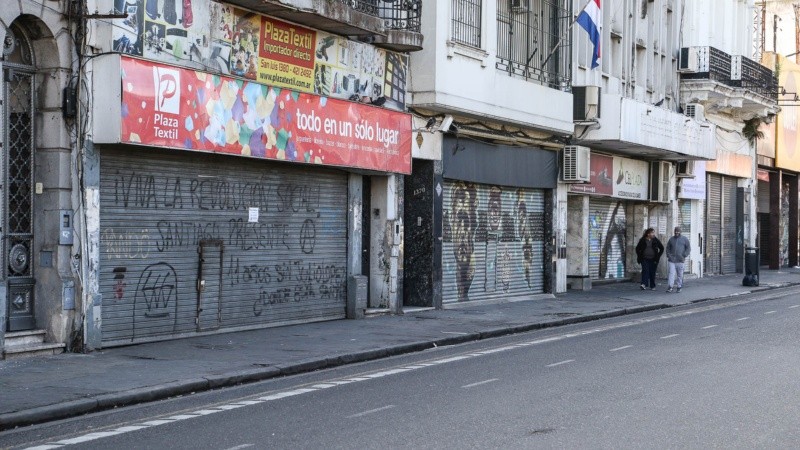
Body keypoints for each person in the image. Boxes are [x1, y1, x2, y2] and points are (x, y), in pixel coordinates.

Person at [666, 226, 691, 293]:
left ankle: (679, 286)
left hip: (680, 260)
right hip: (672, 260)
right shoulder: (671, 239)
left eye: (678, 231)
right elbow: (667, 248)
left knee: (680, 275)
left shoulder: (685, 239)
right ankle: (670, 287)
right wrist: (669, 256)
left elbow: (688, 248)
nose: (677, 232)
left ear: (680, 232)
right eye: (676, 231)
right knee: (671, 273)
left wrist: (684, 255)